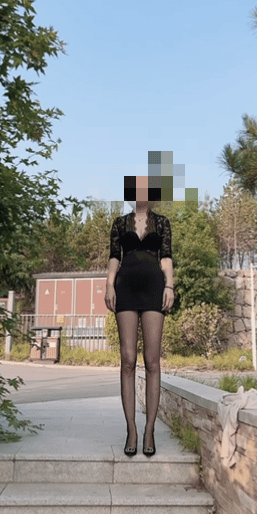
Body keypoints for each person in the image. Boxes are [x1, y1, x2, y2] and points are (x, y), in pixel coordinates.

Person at [104, 176, 174, 457]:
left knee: (152, 361)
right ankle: (131, 429)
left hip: (154, 287)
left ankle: (150, 429)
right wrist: (109, 285)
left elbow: (166, 256)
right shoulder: (119, 223)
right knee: (128, 360)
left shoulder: (163, 223)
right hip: (126, 288)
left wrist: (170, 286)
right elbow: (114, 256)